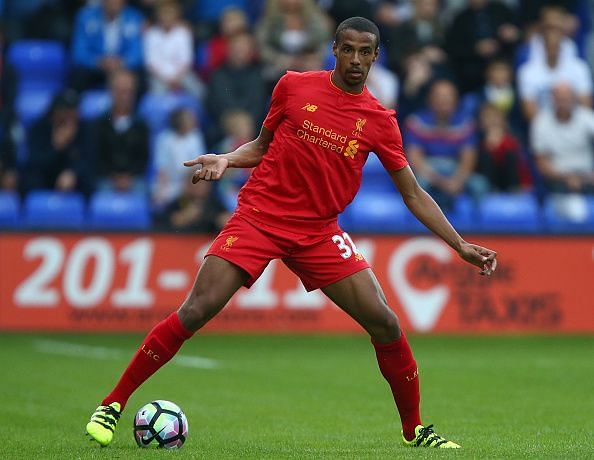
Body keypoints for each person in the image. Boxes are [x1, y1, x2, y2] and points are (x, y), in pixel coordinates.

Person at [86, 17, 497, 450]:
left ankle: (416, 430)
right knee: (196, 310)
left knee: (386, 322)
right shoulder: (293, 86)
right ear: (334, 49)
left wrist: (460, 245)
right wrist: (227, 159)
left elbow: (412, 194)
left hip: (318, 231)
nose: (355, 60)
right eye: (348, 50)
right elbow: (261, 146)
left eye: (365, 52)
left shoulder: (380, 121)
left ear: (376, 57)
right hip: (260, 215)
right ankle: (112, 403)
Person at [405, 79, 489, 210]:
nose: (444, 101)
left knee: (479, 184)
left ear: (456, 100)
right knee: (419, 184)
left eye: (448, 96)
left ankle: (476, 226)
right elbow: (416, 160)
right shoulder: (416, 122)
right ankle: (418, 225)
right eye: (439, 96)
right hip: (428, 170)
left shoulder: (466, 123)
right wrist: (441, 182)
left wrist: (457, 181)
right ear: (430, 99)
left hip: (455, 169)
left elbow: (468, 159)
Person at [531, 82, 594, 194]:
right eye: (559, 99)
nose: (563, 103)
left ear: (574, 99)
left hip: (587, 175)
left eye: (566, 99)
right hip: (557, 178)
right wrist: (566, 178)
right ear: (552, 100)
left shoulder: (588, 117)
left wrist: (587, 178)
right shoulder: (541, 122)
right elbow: (541, 161)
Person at [94, 69, 149, 192]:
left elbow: (143, 158)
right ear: (111, 92)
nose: (125, 97)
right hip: (106, 179)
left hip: (134, 179)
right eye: (121, 92)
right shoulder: (100, 123)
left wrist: (129, 176)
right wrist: (114, 177)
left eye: (129, 92)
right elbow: (97, 157)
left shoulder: (141, 125)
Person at [143, 0, 204, 99]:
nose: (167, 17)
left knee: (200, 92)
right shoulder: (151, 34)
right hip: (159, 76)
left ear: (176, 15)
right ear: (158, 15)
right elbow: (150, 62)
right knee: (155, 96)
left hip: (182, 74)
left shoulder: (184, 32)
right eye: (164, 14)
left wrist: (176, 78)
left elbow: (187, 59)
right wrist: (166, 79)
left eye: (170, 13)